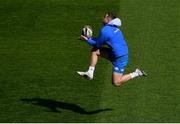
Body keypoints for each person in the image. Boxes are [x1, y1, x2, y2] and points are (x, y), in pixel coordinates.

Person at [77, 12, 147, 86]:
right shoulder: (113, 28)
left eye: (104, 17)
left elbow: (97, 44)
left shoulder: (105, 30)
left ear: (107, 18)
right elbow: (101, 41)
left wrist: (87, 40)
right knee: (95, 51)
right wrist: (89, 39)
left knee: (116, 83)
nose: (103, 18)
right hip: (114, 53)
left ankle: (137, 73)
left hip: (121, 58)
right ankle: (90, 73)